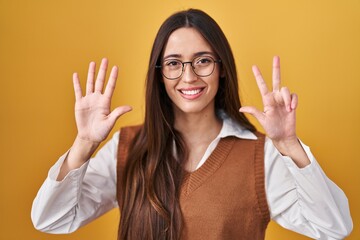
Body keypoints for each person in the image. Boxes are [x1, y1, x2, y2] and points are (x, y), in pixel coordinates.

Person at [31, 9, 352, 240]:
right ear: (159, 73)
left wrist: (288, 146)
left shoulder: (261, 156)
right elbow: (51, 220)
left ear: (222, 67)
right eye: (173, 63)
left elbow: (333, 227)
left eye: (203, 60)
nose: (189, 76)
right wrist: (83, 145)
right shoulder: (126, 148)